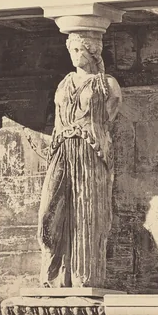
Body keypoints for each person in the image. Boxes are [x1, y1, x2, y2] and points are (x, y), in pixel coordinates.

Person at [38, 30, 122, 288]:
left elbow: (107, 119)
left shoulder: (107, 84)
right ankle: (53, 274)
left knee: (86, 213)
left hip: (89, 151)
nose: (75, 56)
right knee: (48, 214)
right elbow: (57, 121)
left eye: (79, 50)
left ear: (93, 51)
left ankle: (82, 277)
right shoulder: (64, 84)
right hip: (62, 150)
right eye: (72, 50)